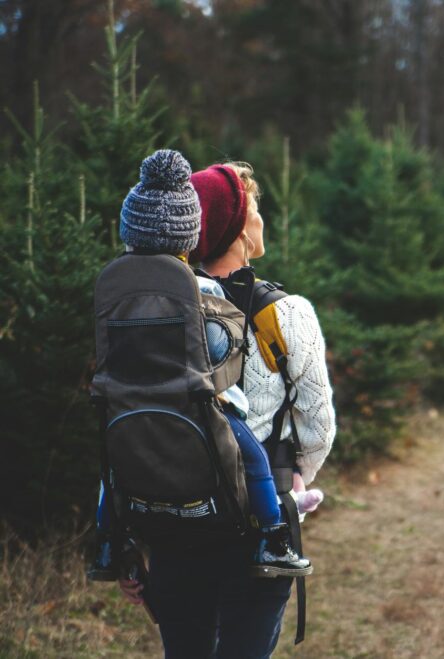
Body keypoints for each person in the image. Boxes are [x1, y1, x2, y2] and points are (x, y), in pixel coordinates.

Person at [119, 159, 336, 657]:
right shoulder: (285, 313)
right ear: (238, 227)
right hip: (257, 531)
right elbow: (318, 427)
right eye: (255, 207)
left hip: (174, 521)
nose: (262, 216)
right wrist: (294, 482)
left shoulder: (156, 312)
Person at [88, 149, 311, 583]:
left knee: (111, 467)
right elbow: (218, 344)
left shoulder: (114, 285)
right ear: (188, 237)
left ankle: (107, 543)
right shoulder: (199, 287)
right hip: (193, 400)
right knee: (253, 457)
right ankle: (273, 537)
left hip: (126, 400)